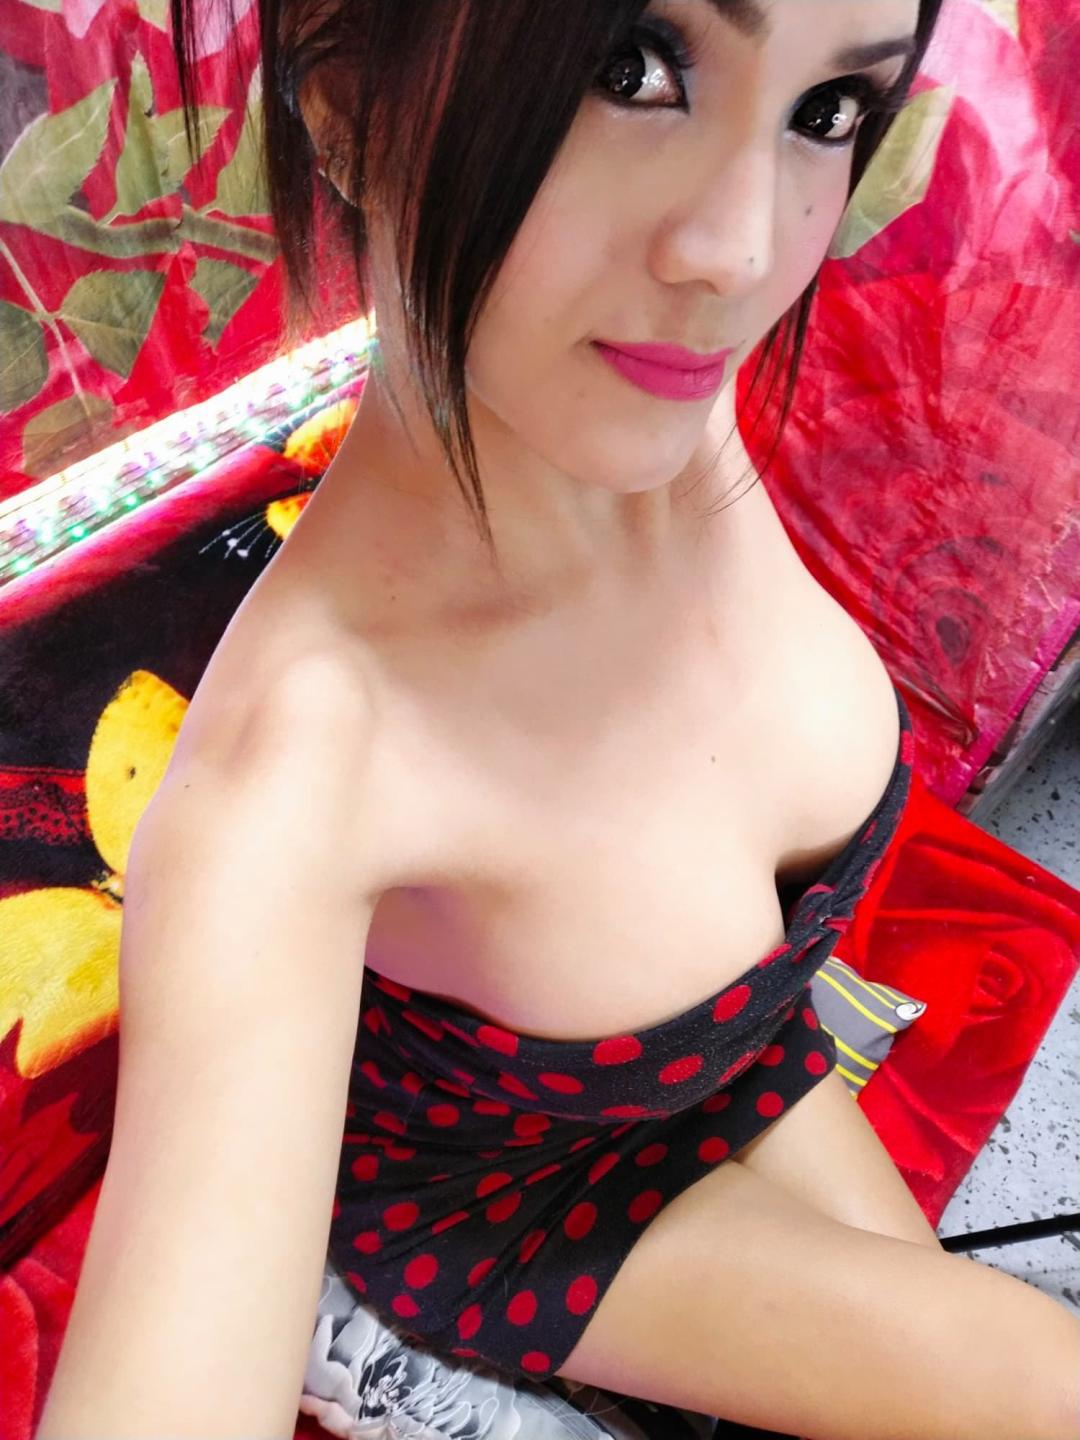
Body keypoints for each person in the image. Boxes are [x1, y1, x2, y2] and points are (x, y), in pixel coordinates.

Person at [38, 2, 1080, 1438]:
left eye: (825, 112)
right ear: (345, 96)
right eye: (630, 71)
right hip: (509, 1208)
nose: (741, 251)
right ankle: (368, 1329)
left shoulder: (662, 414)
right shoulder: (304, 770)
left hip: (738, 1063)